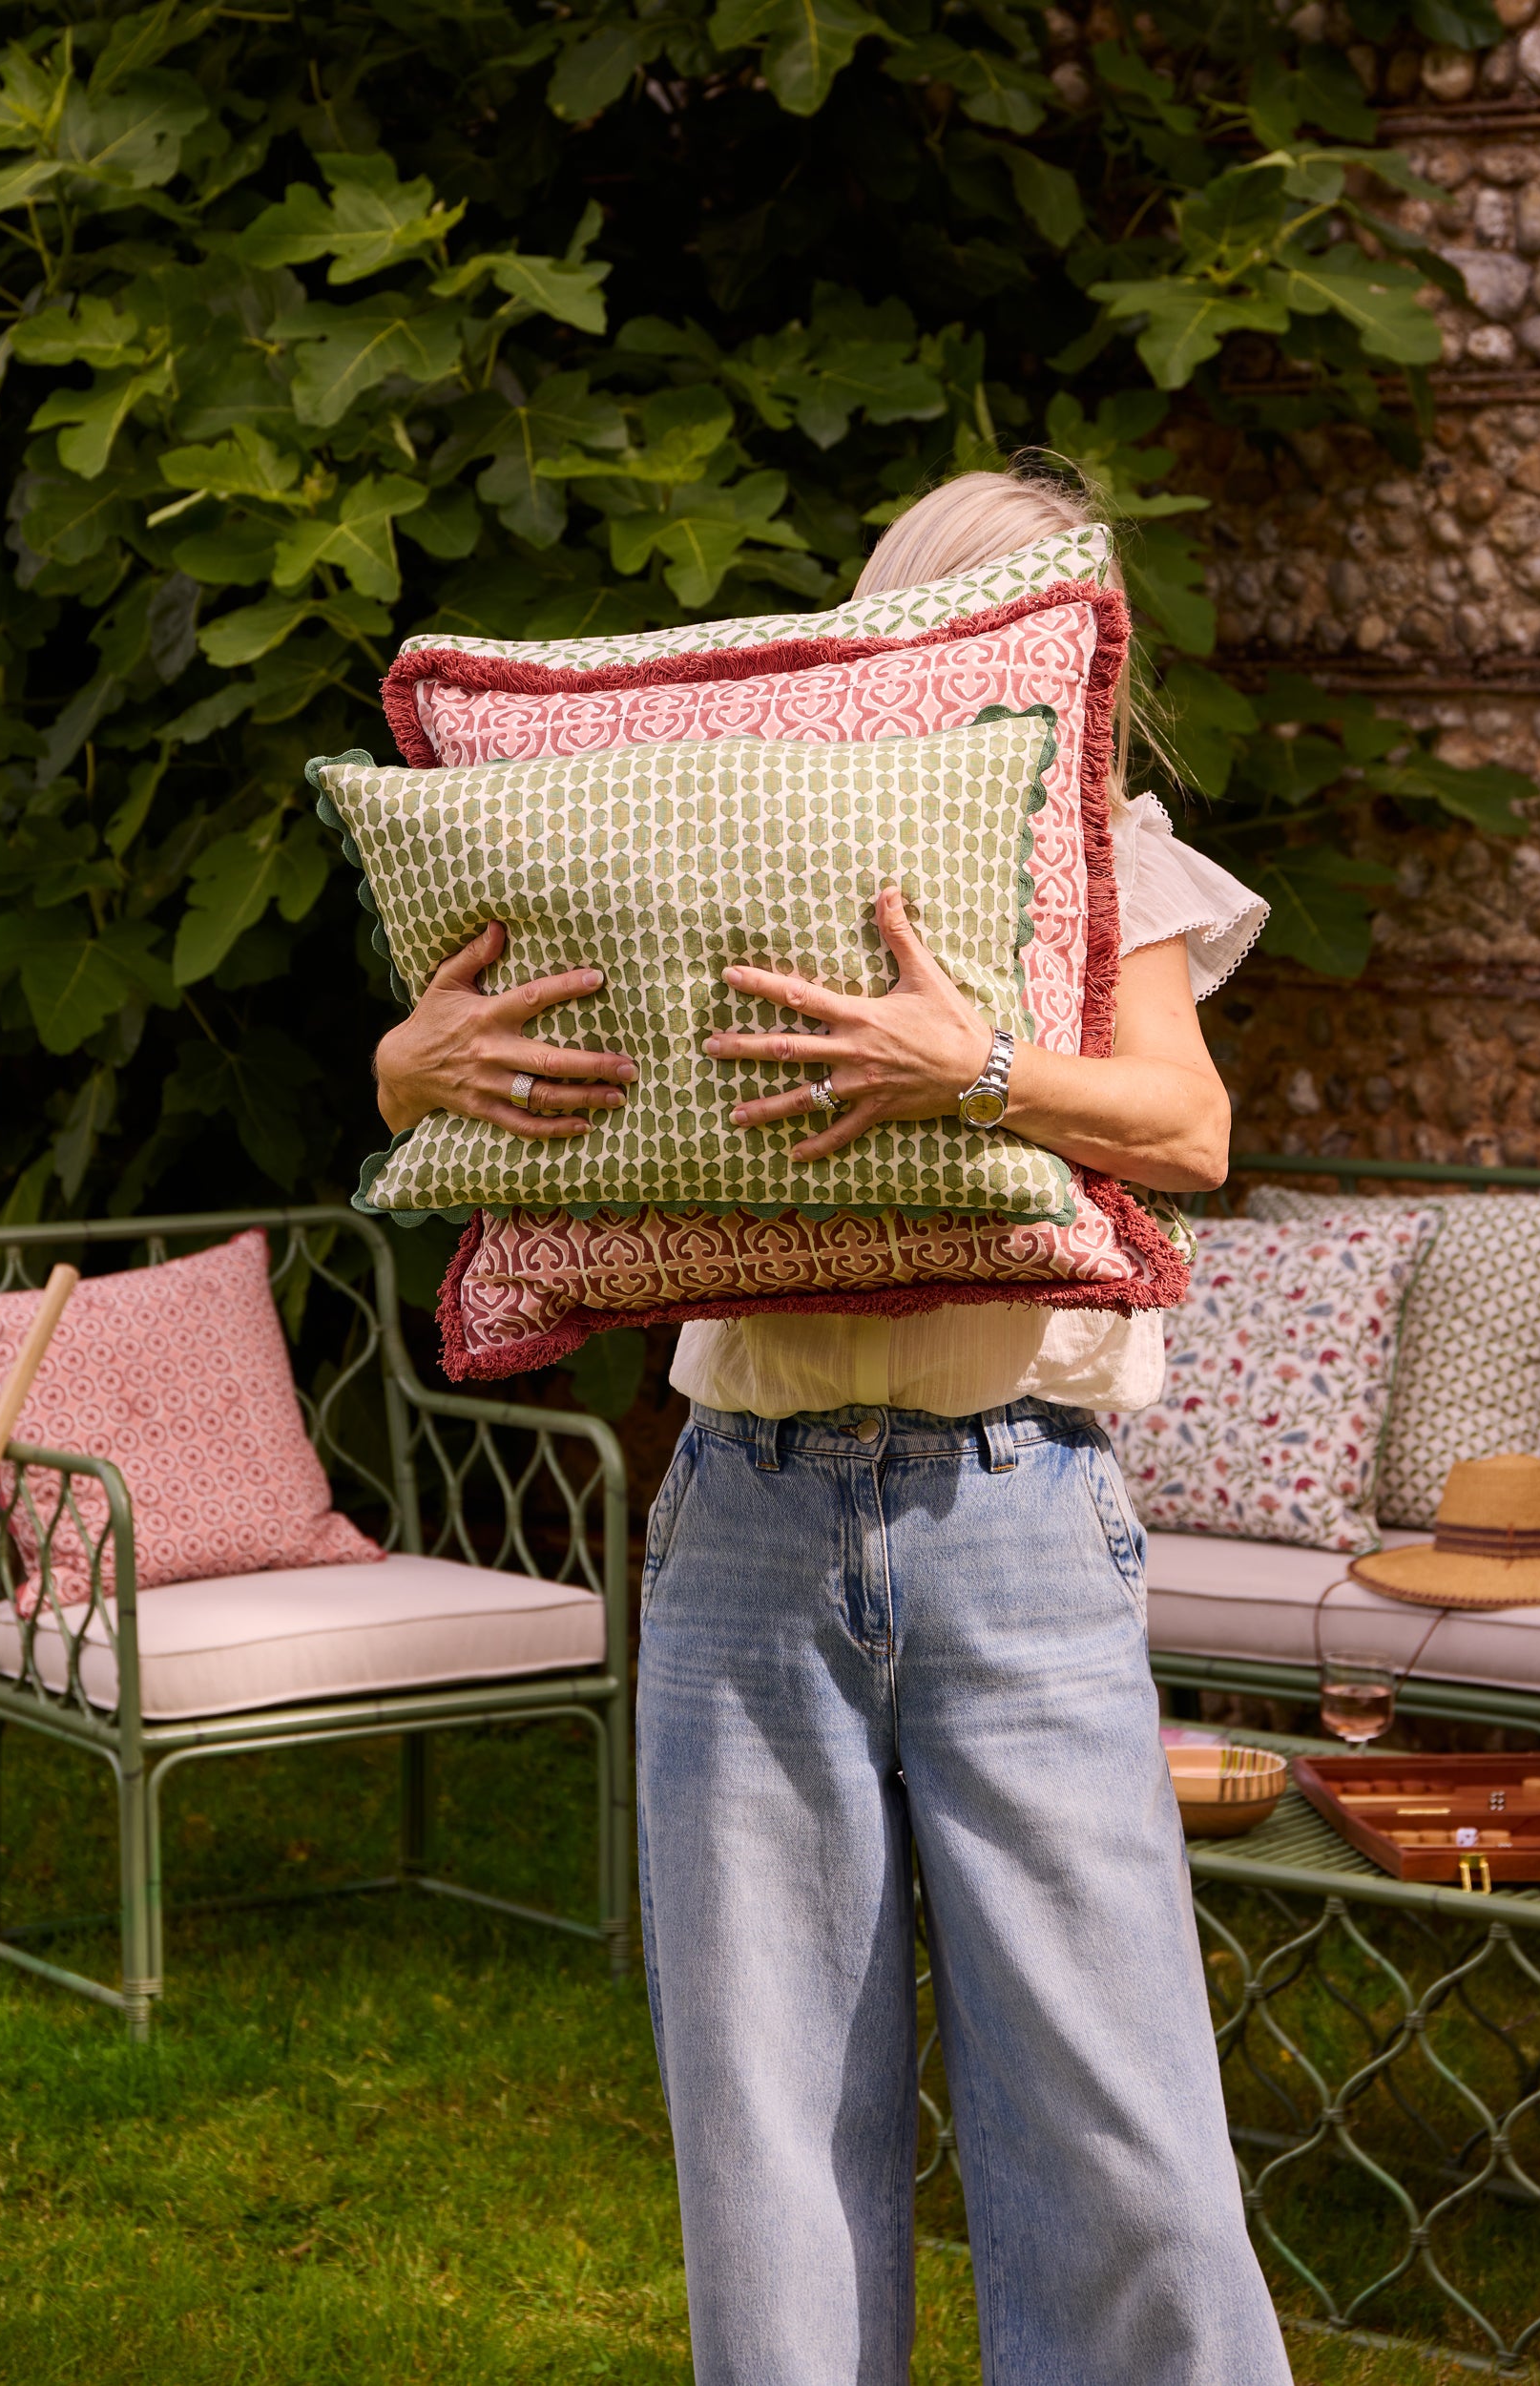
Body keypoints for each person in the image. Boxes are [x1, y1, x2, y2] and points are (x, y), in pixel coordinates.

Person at [371, 467, 1292, 2386]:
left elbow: (1189, 1133)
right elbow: (467, 1074)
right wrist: (407, 1063)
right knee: (769, 2129)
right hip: (744, 1526)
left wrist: (961, 1063)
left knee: (1123, 2137)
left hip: (1016, 1515)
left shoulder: (1113, 856)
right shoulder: (720, 829)